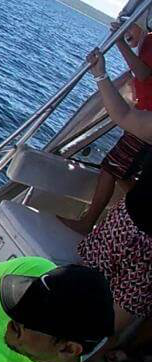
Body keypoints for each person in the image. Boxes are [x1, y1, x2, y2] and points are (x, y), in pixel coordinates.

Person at [76, 47, 152, 362]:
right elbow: (122, 115)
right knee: (92, 303)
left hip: (131, 228)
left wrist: (101, 73)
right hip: (128, 223)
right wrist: (100, 73)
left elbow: (122, 115)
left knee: (96, 310)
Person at [61, 18, 152, 234]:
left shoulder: (151, 41)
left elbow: (143, 73)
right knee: (119, 172)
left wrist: (118, 42)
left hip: (144, 124)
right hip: (141, 120)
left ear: (142, 22)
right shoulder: (146, 43)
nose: (127, 31)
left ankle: (88, 222)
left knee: (111, 168)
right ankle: (134, 213)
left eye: (130, 26)